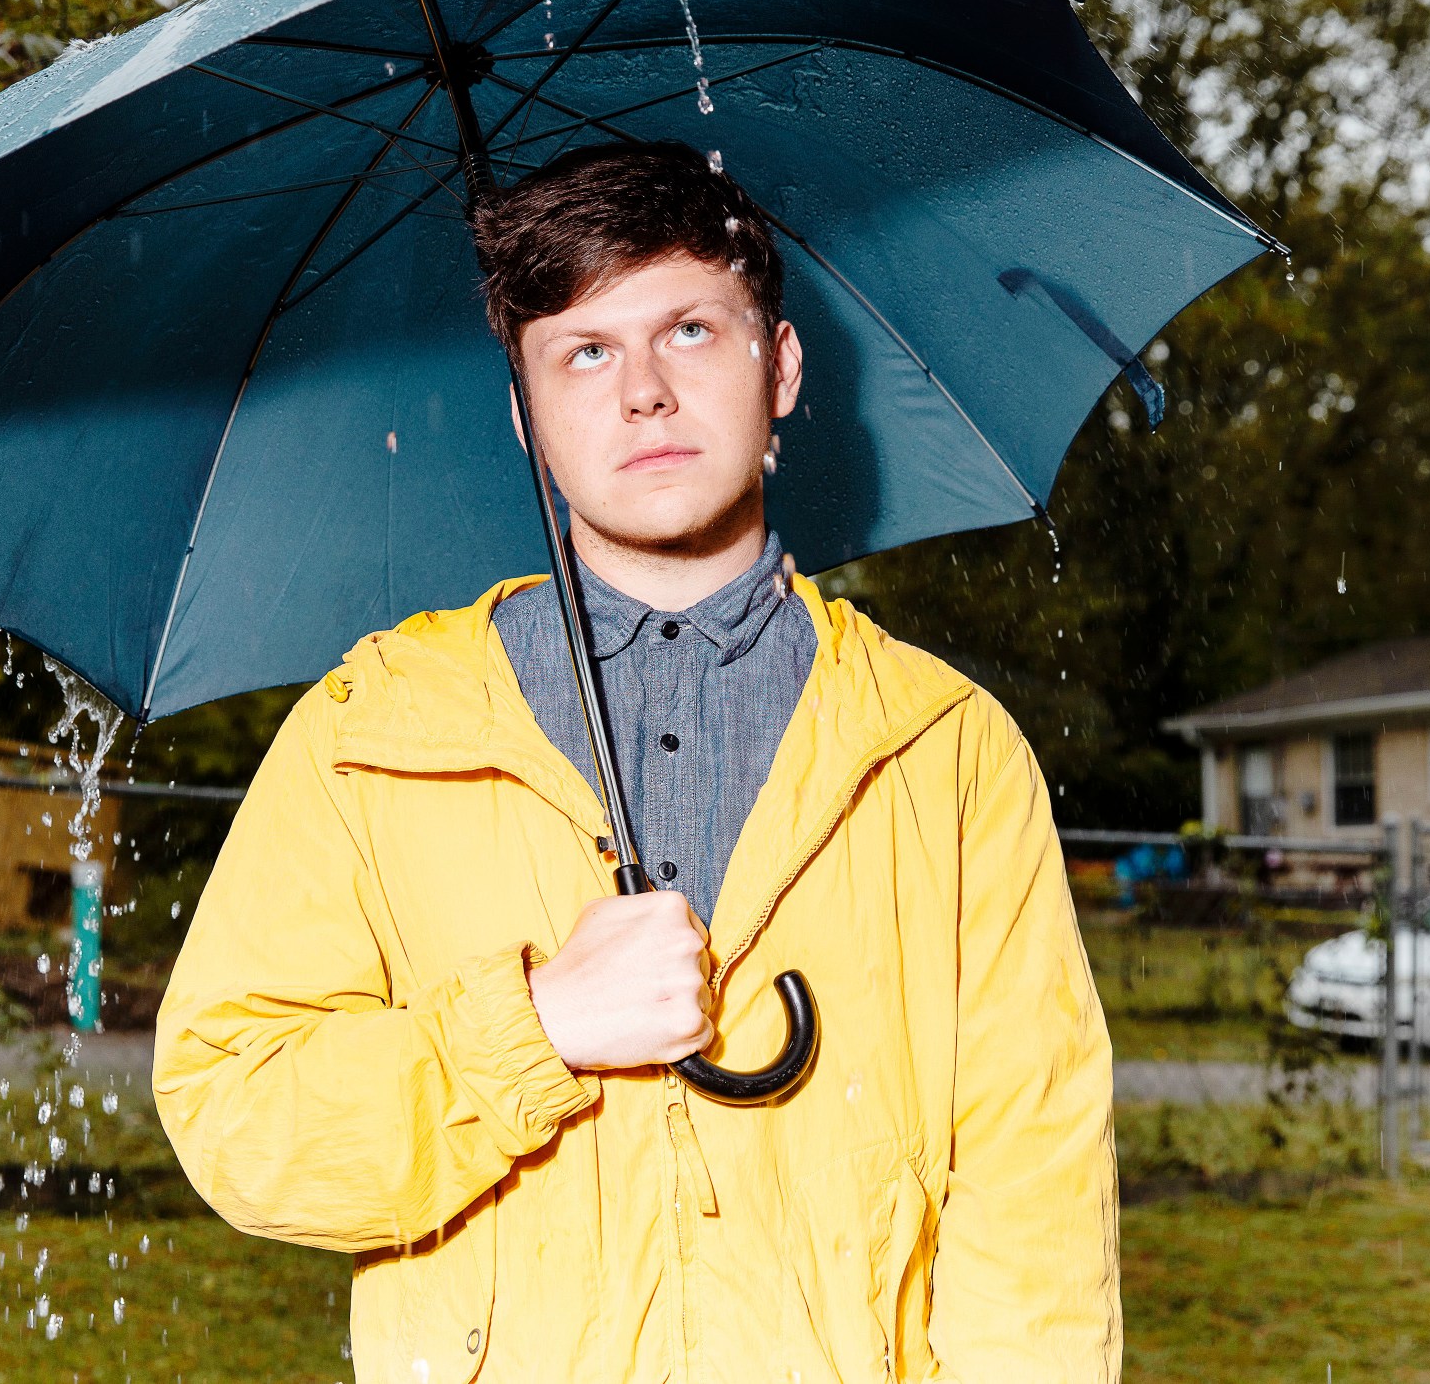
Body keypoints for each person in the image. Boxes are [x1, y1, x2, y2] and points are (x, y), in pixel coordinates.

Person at [153, 142, 1119, 1383]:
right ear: (524, 413)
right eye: (584, 353)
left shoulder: (944, 747)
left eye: (689, 331)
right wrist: (534, 1028)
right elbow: (238, 1123)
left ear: (780, 366)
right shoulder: (369, 730)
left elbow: (1032, 1204)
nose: (644, 393)